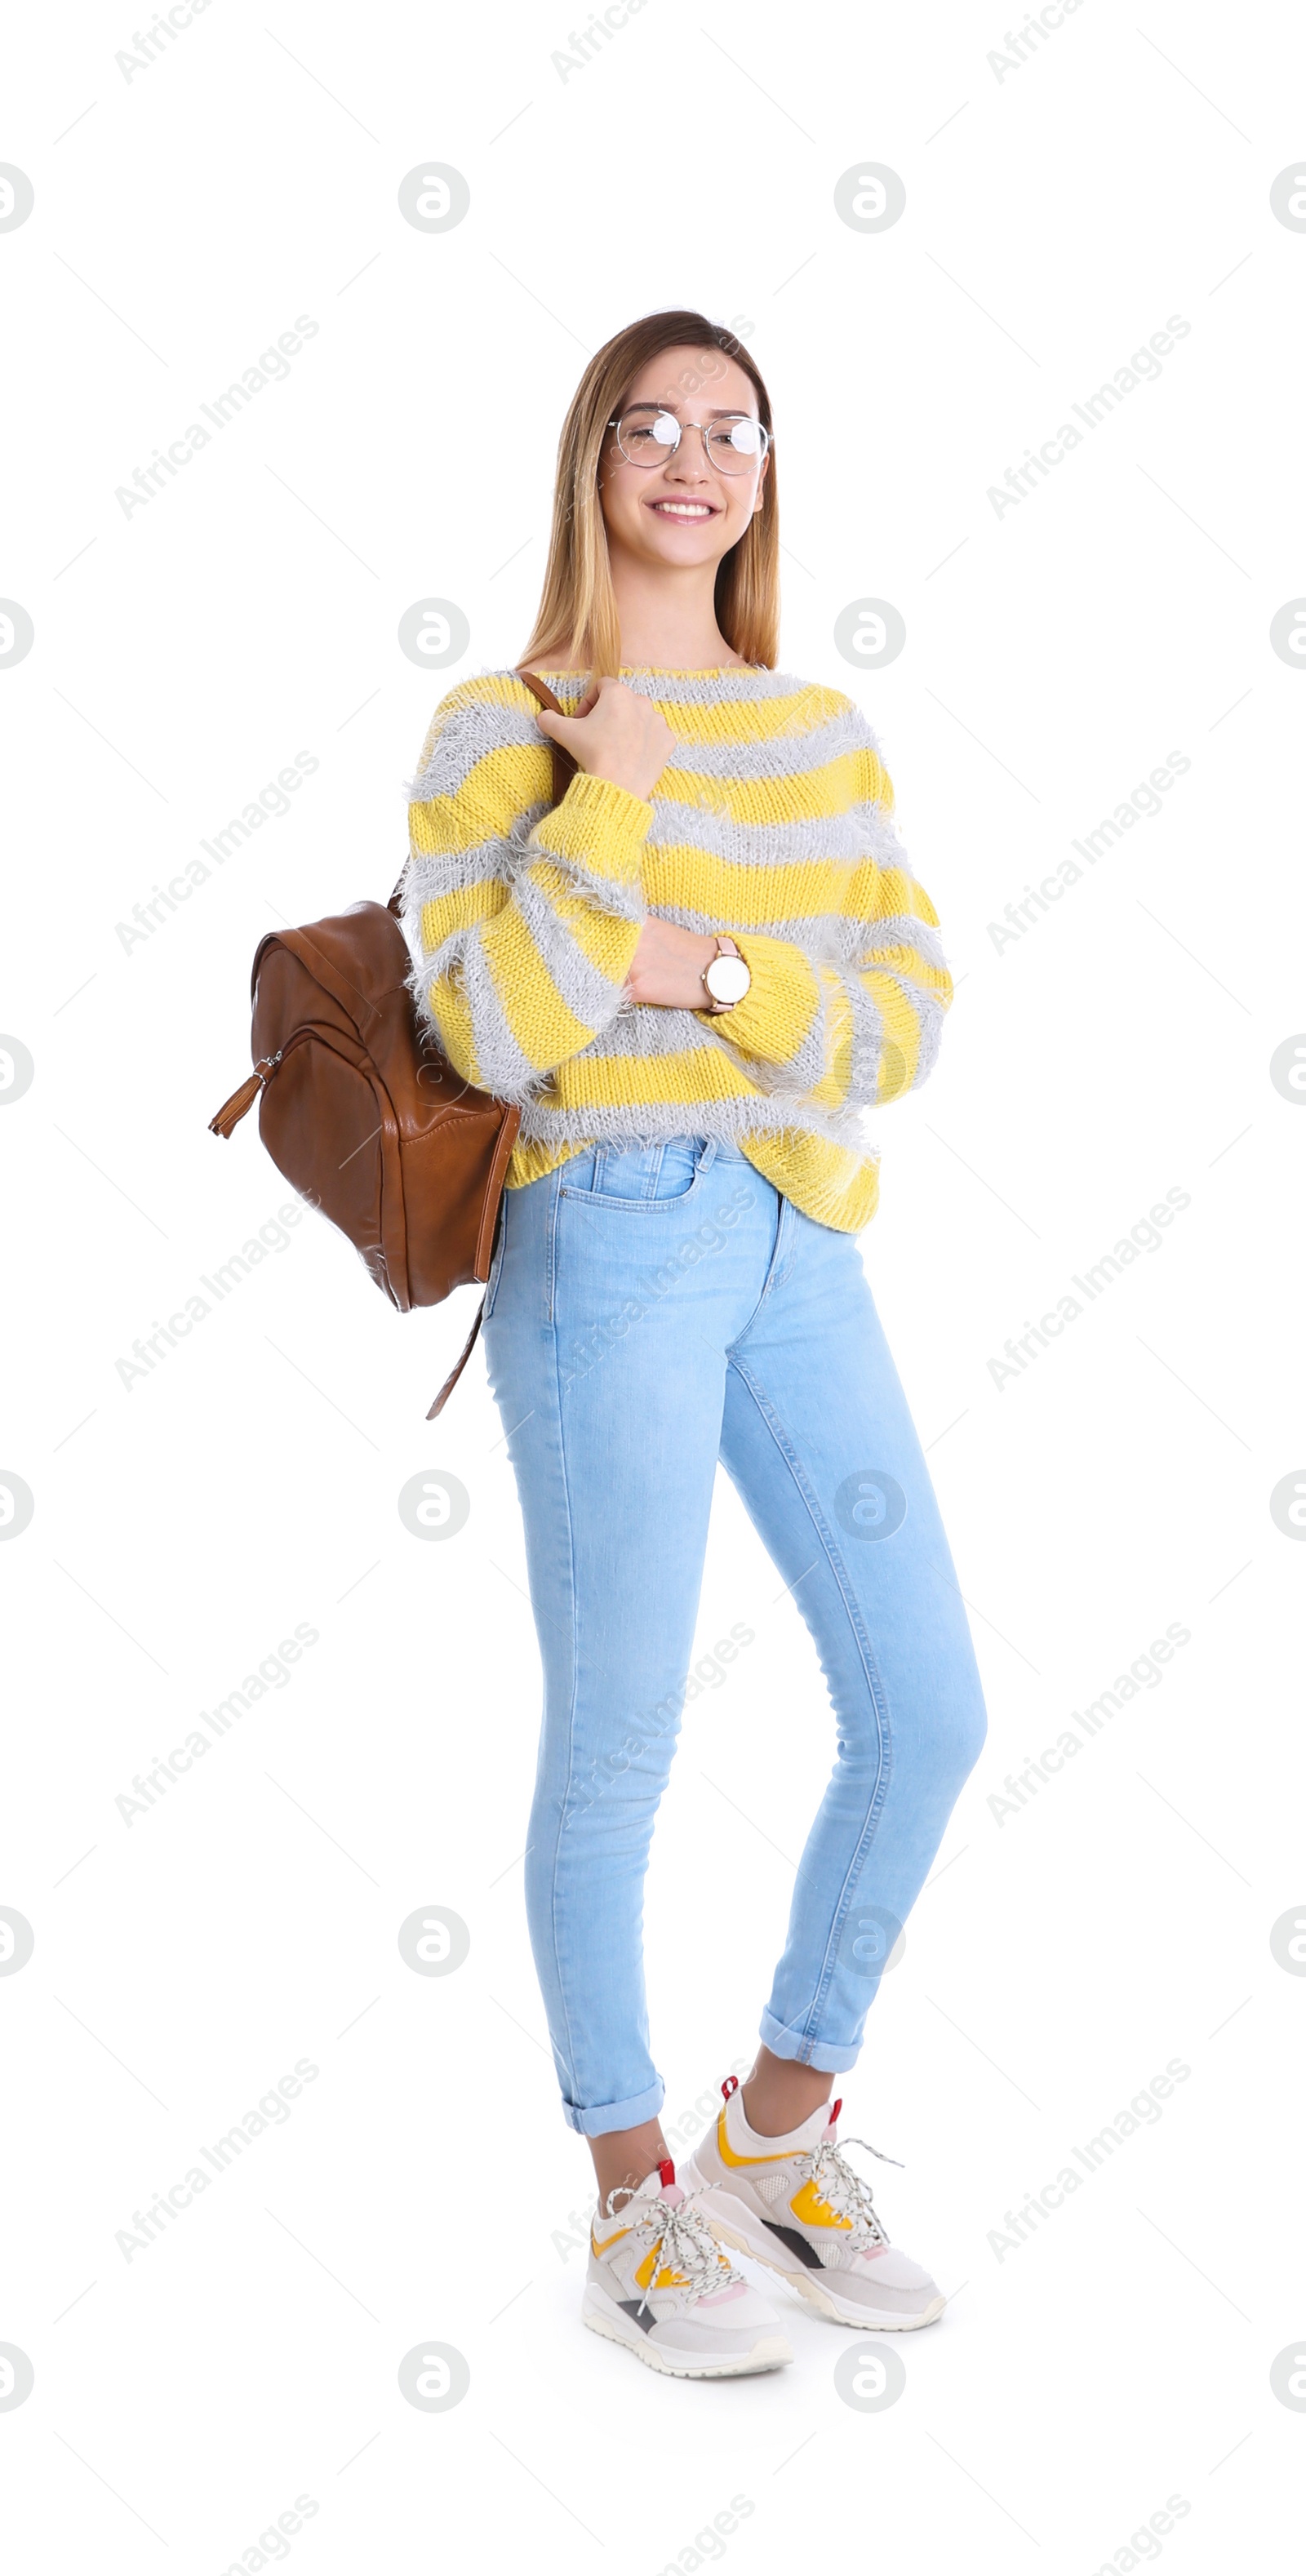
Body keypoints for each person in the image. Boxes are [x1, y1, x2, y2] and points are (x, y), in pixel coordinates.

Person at [400, 309, 988, 2379]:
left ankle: (778, 2125)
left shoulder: (818, 733)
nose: (692, 458)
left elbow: (899, 1022)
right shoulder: (505, 725)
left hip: (796, 1237)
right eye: (649, 424)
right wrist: (611, 800)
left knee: (927, 1703)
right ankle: (630, 2188)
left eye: (731, 429)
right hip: (610, 1243)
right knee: (625, 1735)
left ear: (763, 472)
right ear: (591, 458)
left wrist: (711, 966)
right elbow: (494, 1024)